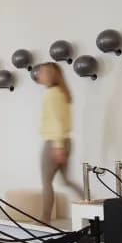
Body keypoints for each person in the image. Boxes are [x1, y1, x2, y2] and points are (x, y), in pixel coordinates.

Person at [36, 62, 83, 223]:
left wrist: (57, 146)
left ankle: (45, 219)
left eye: (42, 72)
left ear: (50, 75)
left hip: (54, 143)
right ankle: (93, 205)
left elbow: (57, 122)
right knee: (66, 180)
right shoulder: (62, 93)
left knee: (46, 182)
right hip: (66, 141)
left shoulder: (52, 94)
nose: (39, 75)